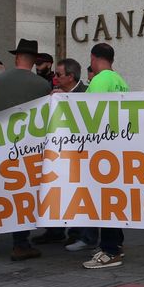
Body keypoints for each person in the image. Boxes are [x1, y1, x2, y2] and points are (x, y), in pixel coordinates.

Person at [0, 39, 52, 261]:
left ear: (16, 58)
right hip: (28, 145)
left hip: (0, 141)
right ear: (34, 61)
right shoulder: (42, 85)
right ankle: (20, 243)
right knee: (22, 193)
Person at [81, 42, 131, 269]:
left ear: (93, 58)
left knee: (104, 201)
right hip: (116, 147)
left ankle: (110, 251)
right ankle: (114, 246)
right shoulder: (120, 81)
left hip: (101, 148)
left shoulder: (100, 80)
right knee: (112, 199)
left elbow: (90, 113)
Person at [32, 57, 89, 246]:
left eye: (59, 74)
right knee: (57, 189)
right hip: (58, 153)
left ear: (71, 77)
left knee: (78, 193)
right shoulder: (55, 93)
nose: (55, 78)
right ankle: (55, 230)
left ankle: (79, 234)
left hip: (80, 153)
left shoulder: (86, 93)